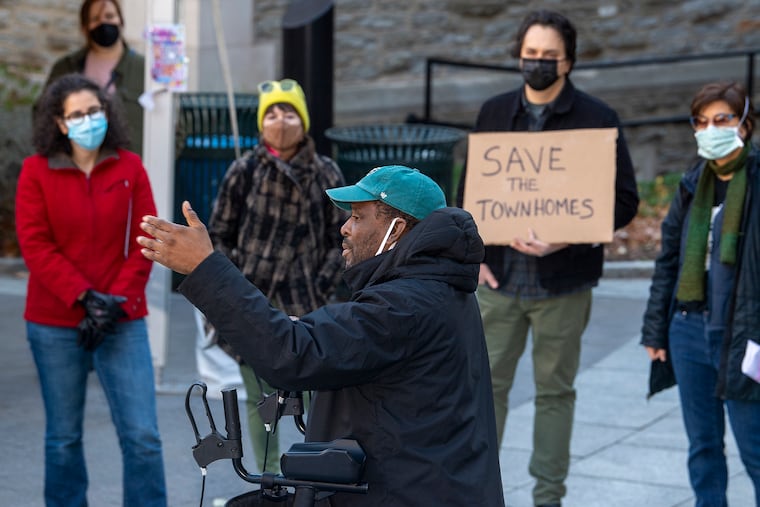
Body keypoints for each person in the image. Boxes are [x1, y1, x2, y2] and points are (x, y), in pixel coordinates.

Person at [137, 165, 505, 506]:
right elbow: (349, 349)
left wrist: (205, 268)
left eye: (358, 217)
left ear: (398, 230)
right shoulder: (432, 289)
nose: (345, 227)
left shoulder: (407, 302)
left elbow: (292, 354)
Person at [456, 10, 639, 507]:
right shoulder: (494, 113)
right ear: (519, 56)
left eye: (548, 57)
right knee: (483, 394)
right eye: (529, 55)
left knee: (555, 394)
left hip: (564, 284)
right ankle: (479, 492)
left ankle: (547, 498)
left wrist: (569, 236)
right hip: (499, 283)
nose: (536, 64)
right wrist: (473, 257)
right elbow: (470, 195)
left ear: (568, 61)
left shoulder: (598, 119)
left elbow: (624, 201)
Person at [15, 73, 166, 507]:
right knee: (63, 438)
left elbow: (147, 238)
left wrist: (114, 303)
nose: (88, 120)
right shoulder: (35, 172)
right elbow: (35, 243)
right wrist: (84, 297)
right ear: (60, 124)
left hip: (122, 318)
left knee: (143, 436)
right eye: (77, 115)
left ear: (107, 112)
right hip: (55, 322)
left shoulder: (130, 166)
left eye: (94, 111)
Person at [205, 78, 346, 473]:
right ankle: (269, 480)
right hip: (253, 301)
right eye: (271, 112)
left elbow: (342, 237)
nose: (280, 120)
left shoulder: (326, 172)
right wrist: (235, 286)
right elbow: (219, 234)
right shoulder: (245, 171)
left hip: (309, 305)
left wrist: (321, 286)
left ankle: (317, 477)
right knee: (260, 398)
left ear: (303, 120)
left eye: (288, 112)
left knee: (317, 400)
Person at [641, 81, 760, 507]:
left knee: (755, 449)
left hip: (746, 335)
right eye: (702, 121)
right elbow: (668, 260)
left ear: (745, 125)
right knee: (703, 447)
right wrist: (656, 331)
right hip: (689, 331)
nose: (711, 129)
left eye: (722, 120)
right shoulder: (692, 183)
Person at [36, 0, 144, 156]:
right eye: (95, 19)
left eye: (109, 16)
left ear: (121, 20)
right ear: (85, 27)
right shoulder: (66, 68)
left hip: (129, 171)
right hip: (76, 169)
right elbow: (42, 115)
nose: (104, 23)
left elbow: (174, 124)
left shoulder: (145, 70)